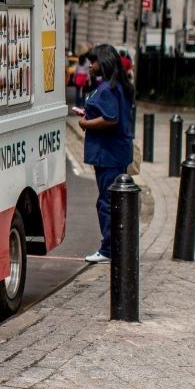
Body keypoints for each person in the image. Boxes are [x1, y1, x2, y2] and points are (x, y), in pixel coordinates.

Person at [73, 44, 135, 264]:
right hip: (117, 152)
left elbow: (111, 118)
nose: (90, 65)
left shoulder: (108, 88)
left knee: (107, 201)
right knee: (114, 200)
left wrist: (85, 122)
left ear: (105, 63)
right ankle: (118, 245)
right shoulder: (120, 86)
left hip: (108, 154)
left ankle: (109, 248)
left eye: (94, 61)